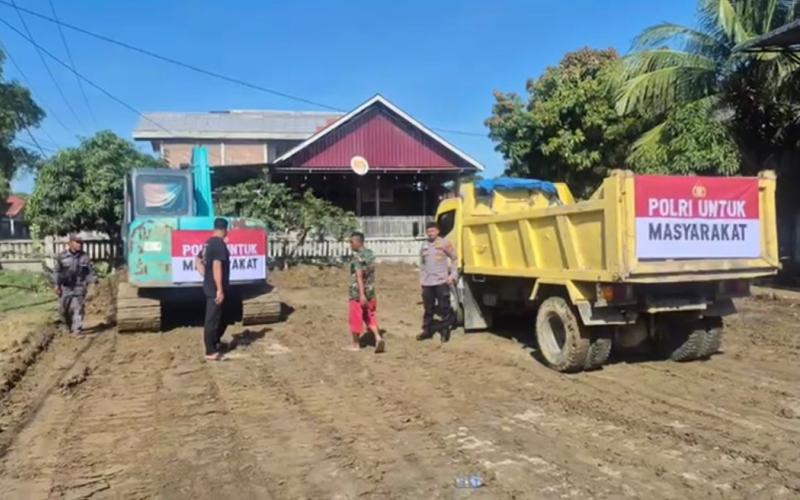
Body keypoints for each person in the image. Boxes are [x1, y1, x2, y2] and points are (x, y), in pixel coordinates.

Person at [195, 218, 231, 361]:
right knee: (212, 318)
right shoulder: (219, 244)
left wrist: (205, 274)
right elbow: (217, 266)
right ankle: (210, 351)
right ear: (225, 230)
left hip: (210, 284)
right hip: (215, 288)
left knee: (223, 316)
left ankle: (215, 342)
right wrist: (219, 289)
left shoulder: (208, 243)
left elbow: (197, 260)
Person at [417, 221, 457, 343]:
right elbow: (422, 263)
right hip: (427, 282)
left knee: (444, 307)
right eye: (428, 231)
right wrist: (421, 278)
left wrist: (453, 275)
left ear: (437, 231)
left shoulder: (444, 243)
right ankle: (427, 330)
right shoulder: (424, 245)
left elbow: (454, 258)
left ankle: (445, 331)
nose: (430, 234)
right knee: (428, 308)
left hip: (441, 281)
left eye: (432, 231)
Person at [346, 231, 385, 353]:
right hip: (370, 291)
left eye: (351, 242)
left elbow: (359, 276)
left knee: (355, 318)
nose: (350, 244)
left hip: (358, 293)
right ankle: (378, 337)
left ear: (358, 242)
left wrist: (361, 294)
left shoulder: (357, 257)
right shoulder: (370, 254)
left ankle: (355, 344)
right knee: (369, 316)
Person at [53, 234, 94, 336]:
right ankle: (67, 326)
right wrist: (56, 285)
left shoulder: (84, 257)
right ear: (70, 243)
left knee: (78, 308)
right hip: (65, 286)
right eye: (77, 242)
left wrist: (91, 285)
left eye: (80, 243)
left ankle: (77, 330)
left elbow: (88, 272)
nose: (79, 244)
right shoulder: (62, 256)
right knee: (64, 309)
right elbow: (57, 272)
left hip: (79, 286)